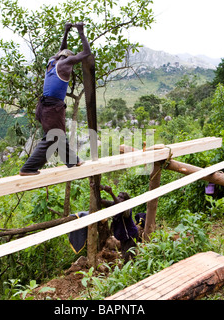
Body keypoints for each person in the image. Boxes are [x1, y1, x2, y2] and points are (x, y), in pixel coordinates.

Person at [19, 22, 91, 176]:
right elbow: (86, 53)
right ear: (69, 60)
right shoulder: (65, 64)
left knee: (57, 135)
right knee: (53, 136)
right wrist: (80, 31)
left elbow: (61, 49)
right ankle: (28, 168)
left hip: (45, 107)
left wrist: (66, 31)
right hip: (52, 108)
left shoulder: (52, 62)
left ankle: (73, 160)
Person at [99, 185, 139, 262]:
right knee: (125, 253)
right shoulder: (115, 204)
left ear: (126, 200)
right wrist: (101, 188)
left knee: (128, 256)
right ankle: (131, 268)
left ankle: (133, 270)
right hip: (123, 236)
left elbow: (120, 207)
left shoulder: (127, 208)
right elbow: (104, 202)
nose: (118, 198)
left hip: (131, 235)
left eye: (121, 198)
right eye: (118, 197)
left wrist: (111, 193)